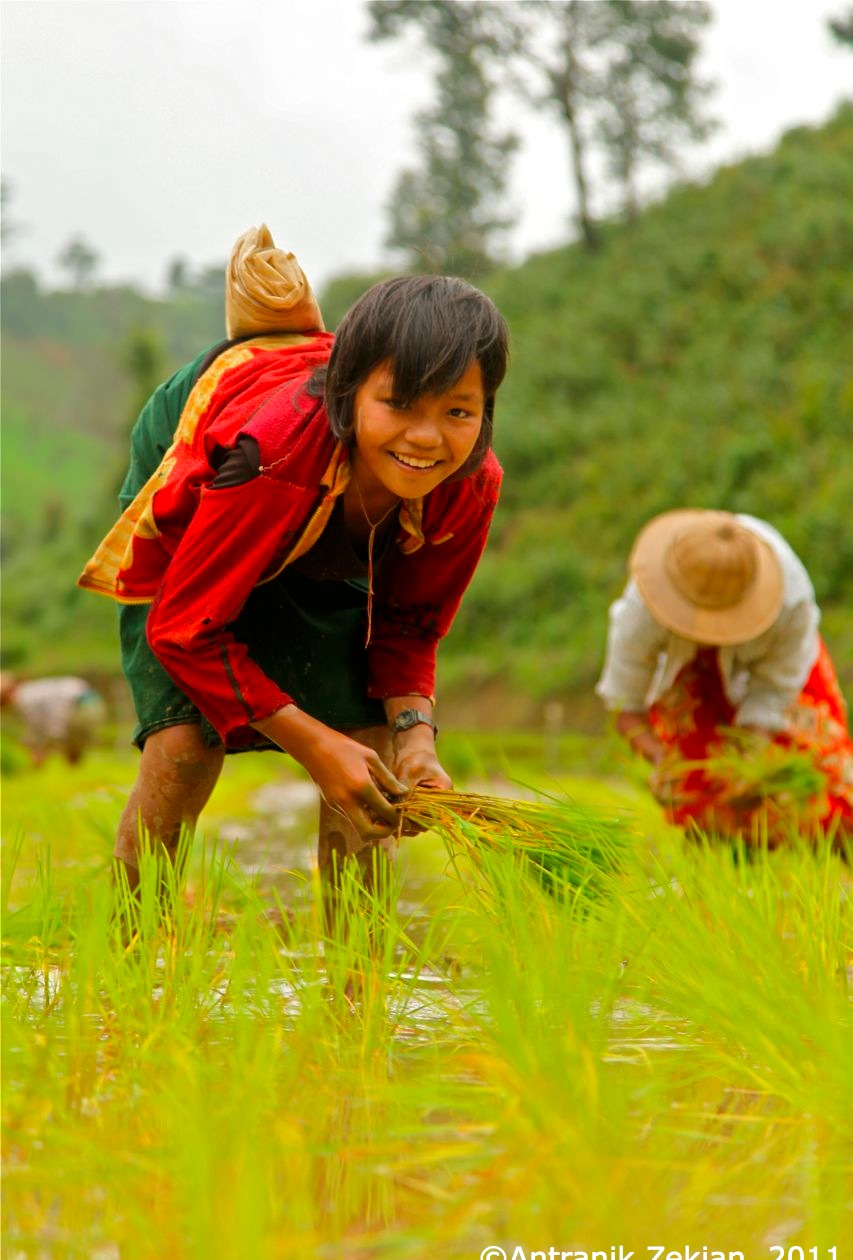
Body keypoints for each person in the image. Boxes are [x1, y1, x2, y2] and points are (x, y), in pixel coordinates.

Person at [79, 249, 510, 893]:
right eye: (398, 405)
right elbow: (183, 629)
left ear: (485, 412)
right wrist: (311, 743)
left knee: (372, 752)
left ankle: (353, 986)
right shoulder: (273, 456)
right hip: (219, 487)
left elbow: (409, 626)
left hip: (318, 530)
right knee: (185, 750)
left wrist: (415, 739)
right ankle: (131, 957)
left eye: (458, 411)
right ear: (348, 394)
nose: (427, 438)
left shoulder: (467, 484)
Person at [596, 509, 852, 845]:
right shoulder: (643, 607)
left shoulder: (790, 600)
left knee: (824, 773)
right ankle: (720, 849)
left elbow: (774, 690)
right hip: (688, 673)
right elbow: (624, 705)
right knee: (698, 782)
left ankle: (828, 848)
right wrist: (661, 760)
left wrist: (750, 757)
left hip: (778, 673)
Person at [1, 673, 105, 767]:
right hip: (89, 702)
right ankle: (74, 769)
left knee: (71, 740)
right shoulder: (28, 692)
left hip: (82, 705)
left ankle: (74, 769)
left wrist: (41, 747)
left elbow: (40, 724)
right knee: (70, 743)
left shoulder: (23, 699)